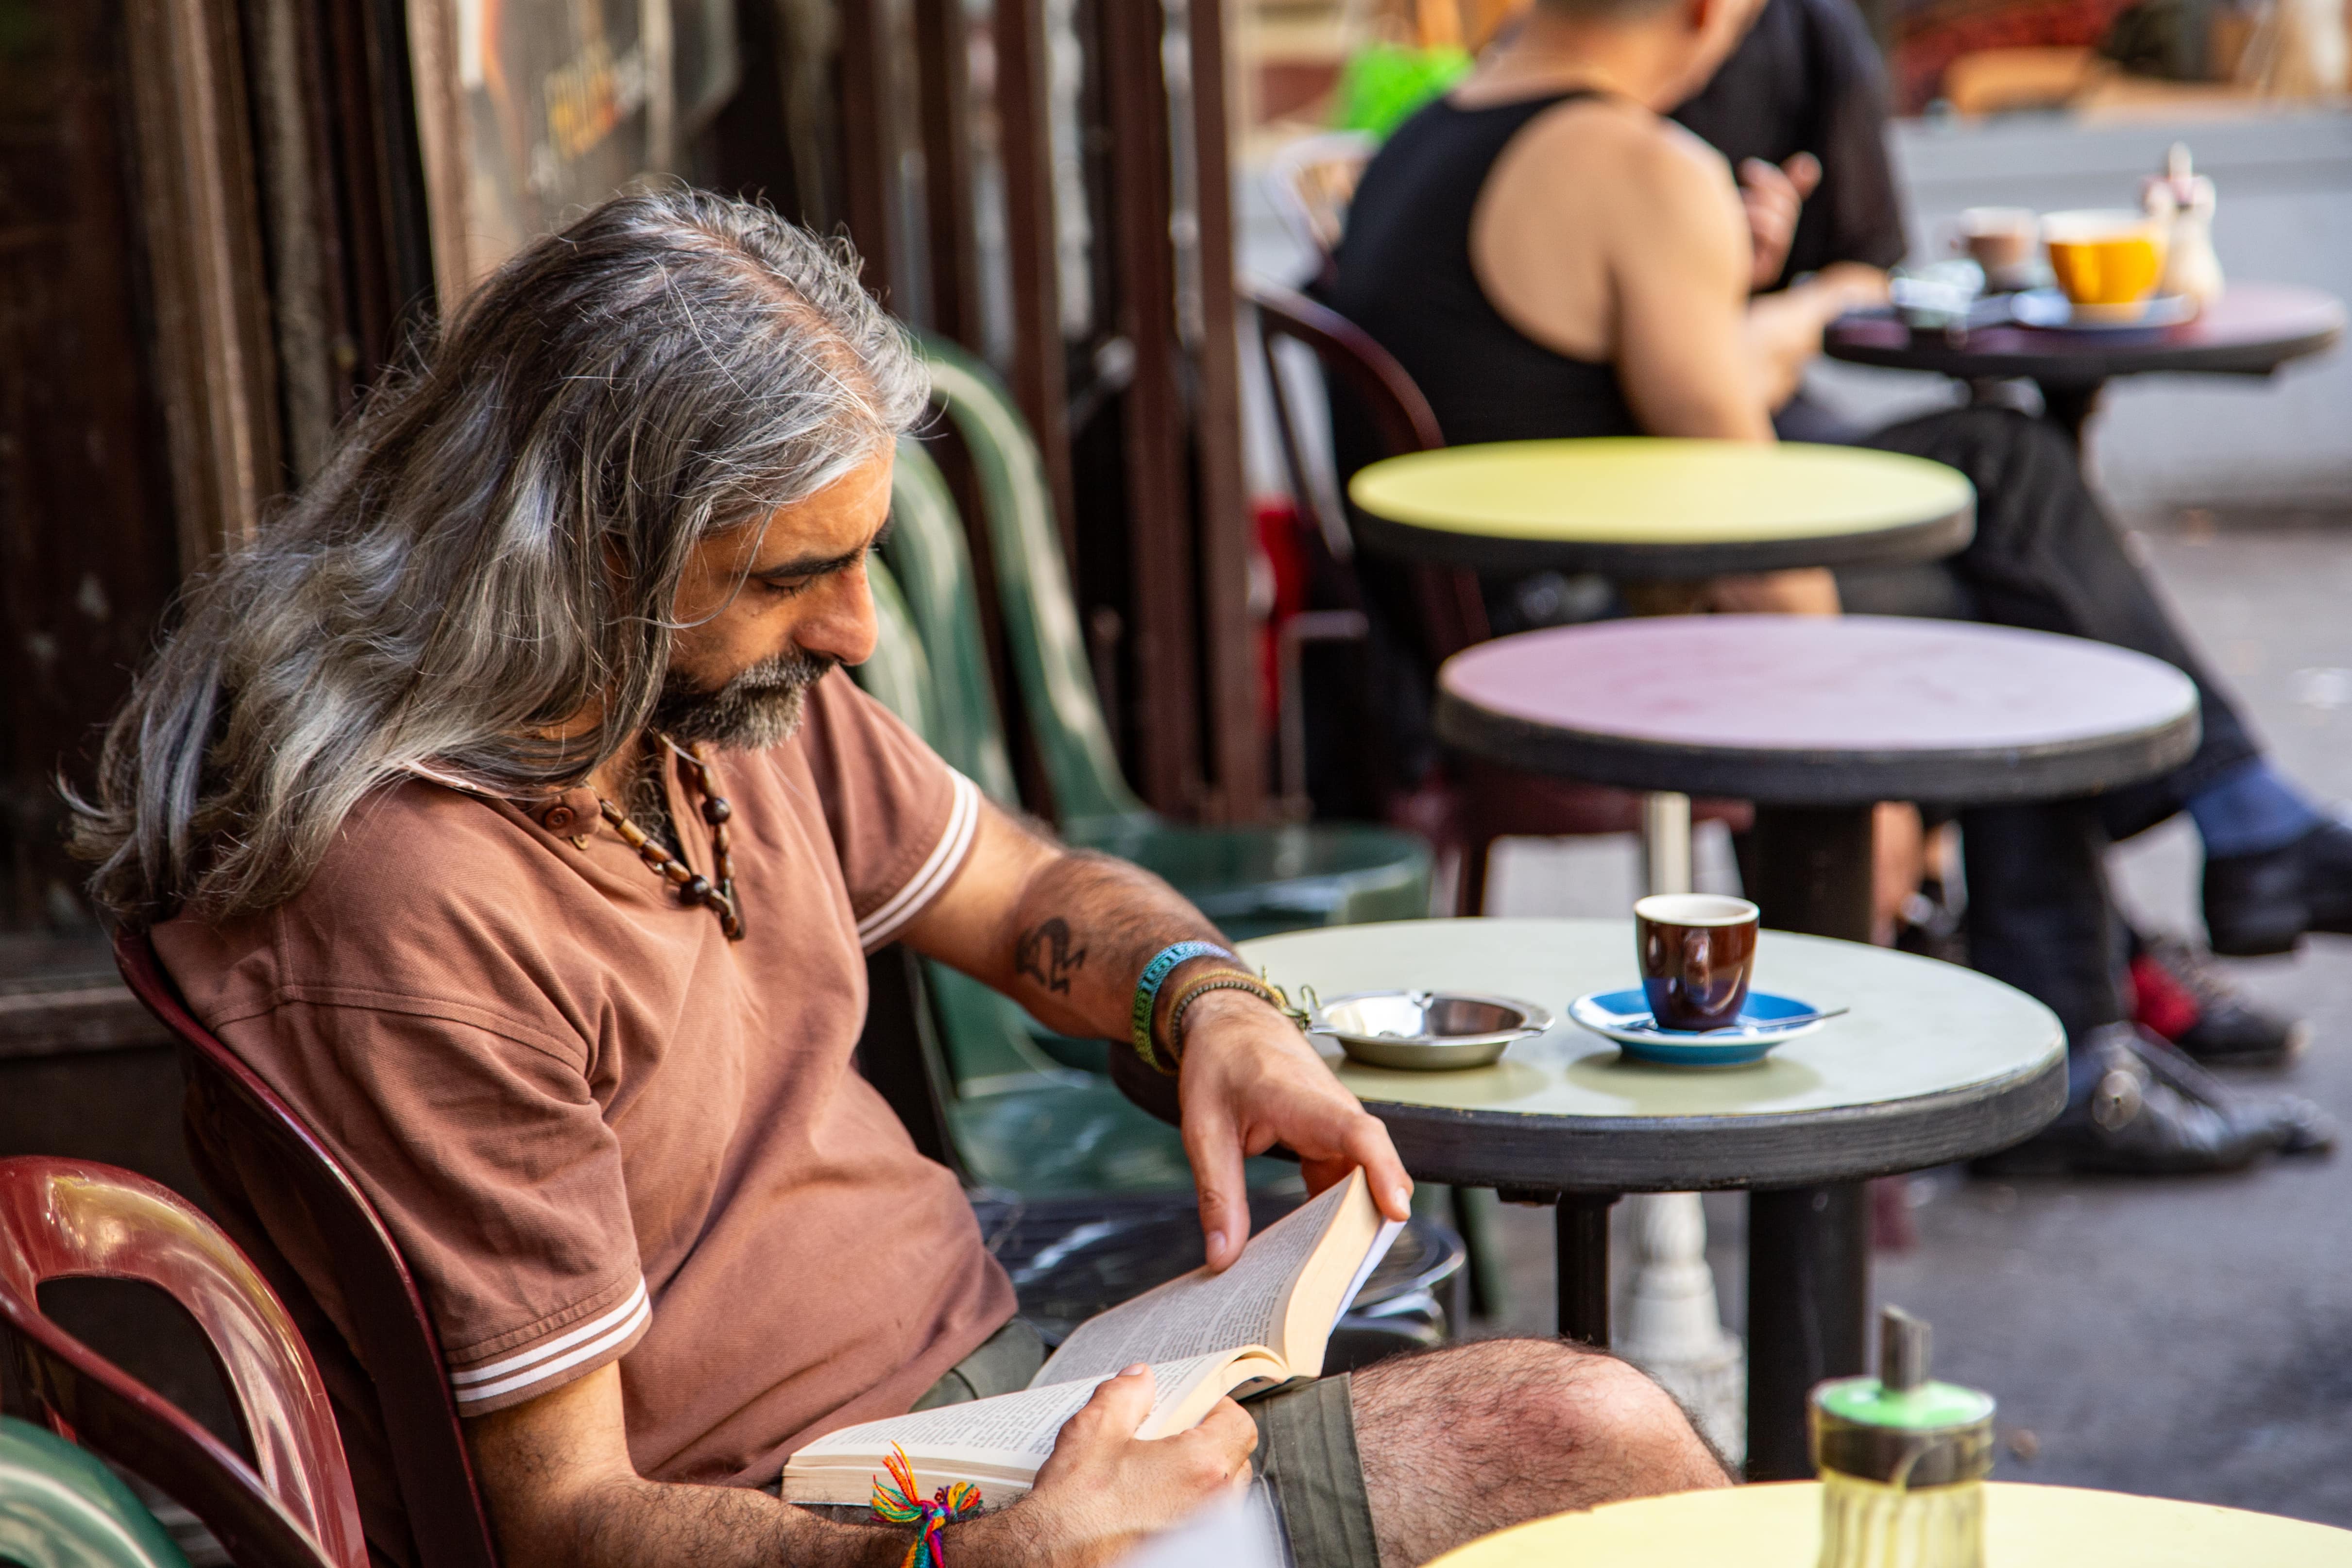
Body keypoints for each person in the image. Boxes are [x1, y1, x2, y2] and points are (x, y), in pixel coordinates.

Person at [68, 189, 1725, 1568]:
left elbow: (1016, 891)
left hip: (991, 1393)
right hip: (849, 1513)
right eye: (800, 574)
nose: (859, 628)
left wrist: (1204, 999)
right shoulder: (413, 902)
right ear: (590, 556)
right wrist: (991, 1549)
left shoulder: (680, 696)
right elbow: (566, 1518)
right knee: (1581, 1443)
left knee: (1577, 1444)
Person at [1323, 0, 2344, 1172]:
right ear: (1709, 13)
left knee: (1996, 461)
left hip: (1482, 615)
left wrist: (1753, 294)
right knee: (2021, 627)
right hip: (1588, 632)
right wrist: (1867, 770)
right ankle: (2109, 1000)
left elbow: (1598, 393)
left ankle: (2159, 935)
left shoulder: (1434, 134)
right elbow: (1746, 523)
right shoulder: (1637, 168)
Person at [1670, 0, 2312, 1069]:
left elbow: (1835, 284)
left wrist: (1737, 283)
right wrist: (1828, 717)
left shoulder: (1726, 69)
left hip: (1729, 483)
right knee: (2017, 561)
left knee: (2008, 490)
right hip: (1672, 544)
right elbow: (1710, 392)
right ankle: (2114, 969)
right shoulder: (1616, 150)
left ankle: (2108, 973)